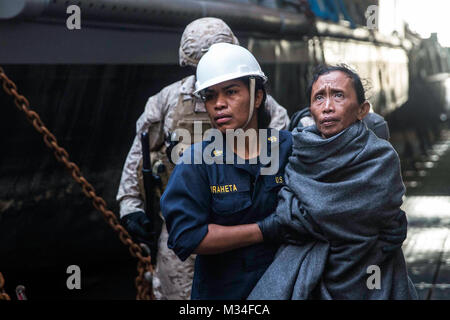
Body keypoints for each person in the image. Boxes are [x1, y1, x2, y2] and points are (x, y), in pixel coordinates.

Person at [116, 17, 290, 300]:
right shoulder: (167, 100)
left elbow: (280, 157)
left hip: (244, 229)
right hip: (183, 226)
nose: (219, 102)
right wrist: (130, 206)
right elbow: (142, 152)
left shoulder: (264, 105)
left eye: (231, 91)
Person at [249, 65, 418, 300]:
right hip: (313, 275)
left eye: (338, 95)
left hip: (369, 270)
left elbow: (296, 214)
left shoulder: (380, 158)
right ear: (310, 109)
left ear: (362, 110)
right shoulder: (297, 153)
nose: (327, 107)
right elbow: (288, 211)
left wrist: (311, 215)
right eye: (319, 98)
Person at [160, 43, 293, 300]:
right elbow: (186, 236)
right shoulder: (197, 161)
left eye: (231, 92)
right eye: (210, 96)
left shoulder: (288, 148)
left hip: (285, 289)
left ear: (257, 96)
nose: (219, 104)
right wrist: (264, 230)